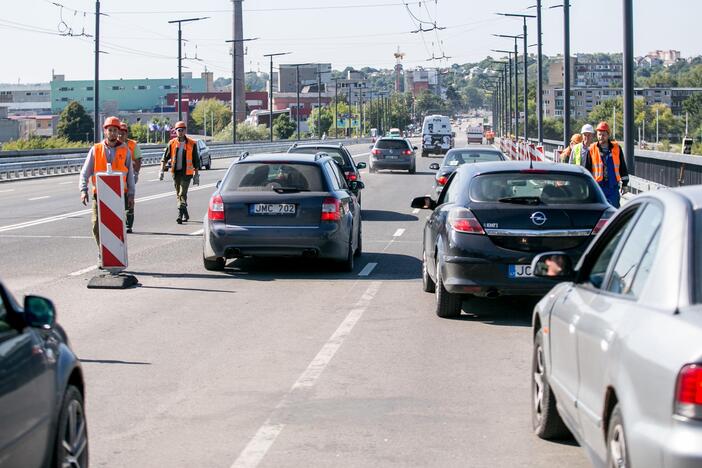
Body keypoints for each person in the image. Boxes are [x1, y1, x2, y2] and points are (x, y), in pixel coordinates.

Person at [79, 116, 135, 262]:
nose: (112, 133)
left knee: (117, 227)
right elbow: (85, 172)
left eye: (115, 130)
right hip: (99, 195)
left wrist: (131, 195)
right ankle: (102, 252)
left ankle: (116, 256)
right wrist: (83, 190)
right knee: (96, 226)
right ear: (105, 132)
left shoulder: (125, 150)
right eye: (109, 130)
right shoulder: (96, 149)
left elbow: (130, 175)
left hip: (119, 196)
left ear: (118, 132)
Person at [159, 120, 200, 224]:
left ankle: (179, 216)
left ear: (185, 130)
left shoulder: (192, 143)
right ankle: (185, 214)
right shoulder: (172, 143)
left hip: (187, 173)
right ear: (175, 131)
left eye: (182, 130)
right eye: (178, 130)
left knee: (182, 193)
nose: (180, 132)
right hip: (176, 173)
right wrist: (161, 171)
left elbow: (196, 160)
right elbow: (165, 157)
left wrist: (196, 174)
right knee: (179, 195)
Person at [584, 121, 630, 208]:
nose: (601, 137)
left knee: (614, 210)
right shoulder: (592, 149)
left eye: (603, 134)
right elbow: (587, 169)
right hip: (598, 186)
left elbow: (622, 167)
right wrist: (588, 186)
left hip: (612, 186)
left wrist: (625, 184)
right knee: (599, 211)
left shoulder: (616, 148)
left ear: (608, 135)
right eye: (599, 134)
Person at [118, 122, 141, 233]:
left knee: (129, 199)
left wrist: (136, 173)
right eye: (119, 133)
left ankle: (128, 225)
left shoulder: (132, 145)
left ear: (126, 134)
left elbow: (138, 159)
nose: (120, 136)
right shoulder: (114, 145)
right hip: (117, 178)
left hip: (129, 177)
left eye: (123, 133)